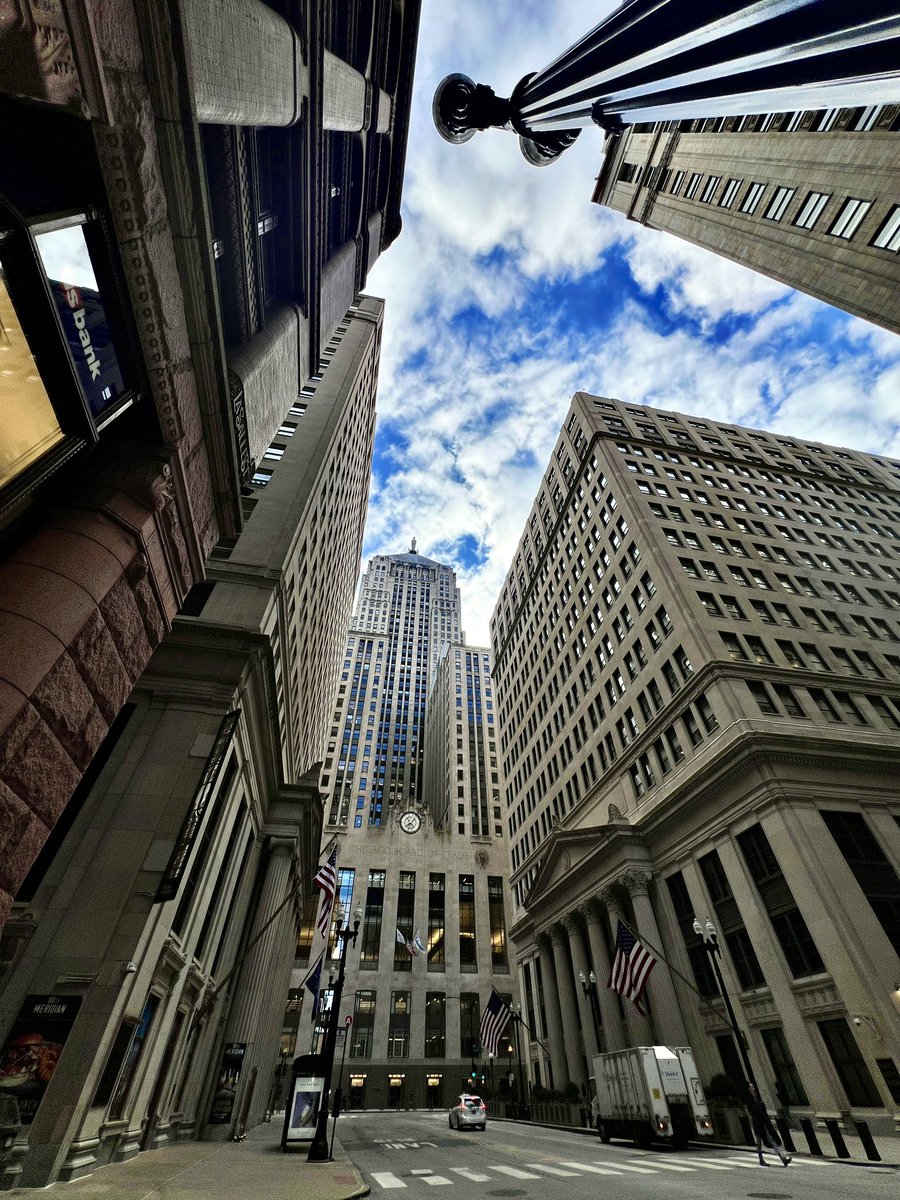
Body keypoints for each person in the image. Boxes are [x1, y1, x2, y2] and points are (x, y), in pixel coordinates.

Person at [746, 1082, 791, 1166]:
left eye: (753, 1086)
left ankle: (783, 1159)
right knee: (760, 1142)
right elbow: (753, 1111)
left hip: (763, 1123)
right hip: (758, 1124)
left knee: (770, 1141)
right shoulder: (749, 1100)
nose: (753, 1088)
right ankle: (762, 1159)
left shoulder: (756, 1097)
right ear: (748, 1089)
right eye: (751, 1087)